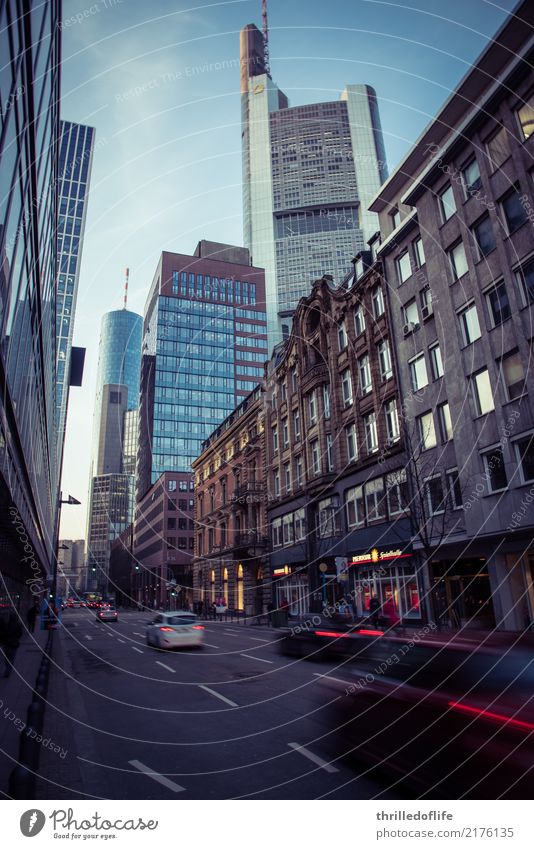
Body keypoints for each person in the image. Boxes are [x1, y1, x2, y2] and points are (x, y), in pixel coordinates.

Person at [2, 613, 23, 678]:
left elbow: (4, 634)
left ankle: (7, 670)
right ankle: (8, 671)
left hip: (7, 644)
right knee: (11, 658)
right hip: (13, 644)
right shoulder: (18, 625)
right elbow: (20, 634)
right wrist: (15, 638)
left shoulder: (7, 625)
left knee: (7, 658)